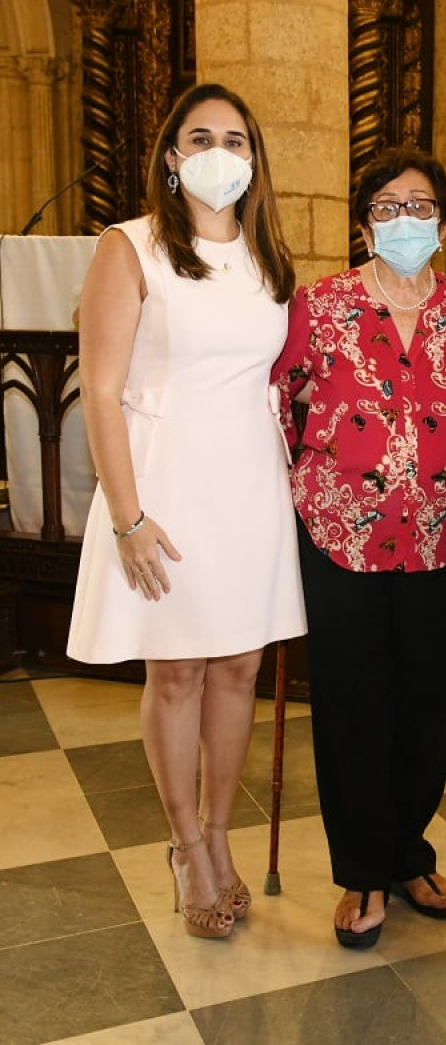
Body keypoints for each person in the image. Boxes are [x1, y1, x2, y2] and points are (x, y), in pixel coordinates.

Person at [67, 83, 306, 939]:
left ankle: (218, 831)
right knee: (176, 670)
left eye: (236, 139)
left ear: (254, 158)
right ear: (170, 155)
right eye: (199, 137)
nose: (219, 152)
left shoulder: (267, 258)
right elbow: (98, 389)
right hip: (162, 486)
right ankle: (182, 845)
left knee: (238, 667)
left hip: (246, 484)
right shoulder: (128, 248)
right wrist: (128, 517)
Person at [272, 146, 446, 949]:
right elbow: (278, 404)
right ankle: (362, 868)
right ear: (363, 224)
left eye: (419, 205)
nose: (403, 220)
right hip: (339, 537)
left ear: (445, 222)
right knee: (353, 706)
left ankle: (408, 853)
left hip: (436, 537)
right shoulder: (318, 307)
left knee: (425, 706)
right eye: (386, 207)